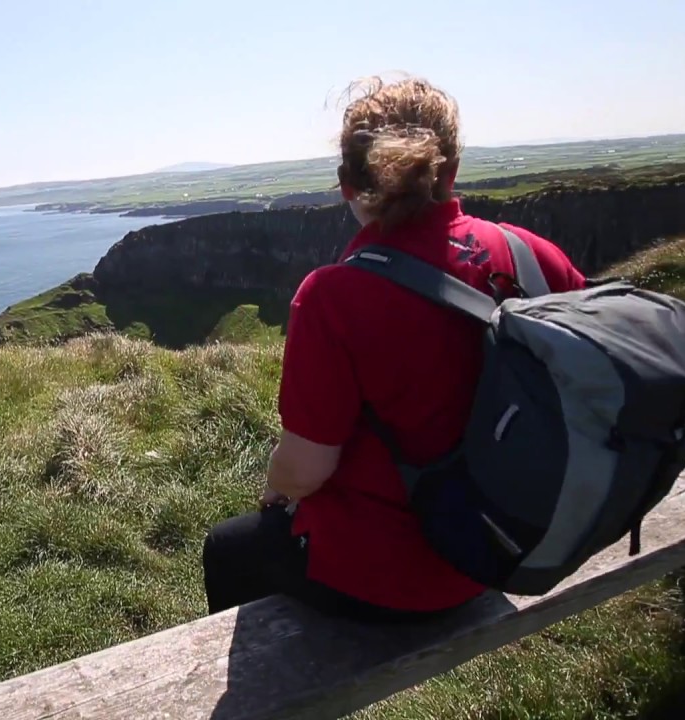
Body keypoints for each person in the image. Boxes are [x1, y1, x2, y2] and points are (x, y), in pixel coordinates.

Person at [201, 75, 588, 621]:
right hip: (519, 538)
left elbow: (305, 469)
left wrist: (274, 492)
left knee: (228, 547)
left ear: (346, 186)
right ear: (452, 171)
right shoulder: (532, 254)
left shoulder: (332, 296)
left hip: (401, 578)